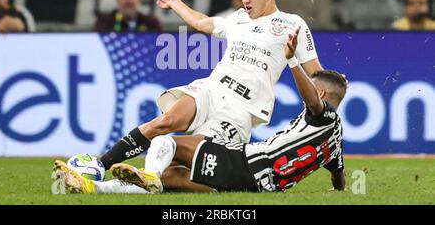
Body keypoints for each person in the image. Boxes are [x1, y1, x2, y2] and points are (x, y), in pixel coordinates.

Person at [58, 0, 323, 177]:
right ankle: (101, 165)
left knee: (185, 167)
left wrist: (330, 87)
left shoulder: (292, 24)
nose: (245, 1)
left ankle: (140, 179)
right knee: (166, 121)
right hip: (213, 88)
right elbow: (203, 23)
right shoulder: (237, 18)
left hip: (242, 109)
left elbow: (317, 74)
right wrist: (176, 4)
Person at [54, 28, 346, 194]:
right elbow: (338, 176)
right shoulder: (336, 141)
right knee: (176, 178)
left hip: (246, 162)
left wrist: (293, 62)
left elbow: (313, 103)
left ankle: (148, 174)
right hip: (258, 188)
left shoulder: (323, 113)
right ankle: (92, 189)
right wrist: (338, 192)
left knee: (166, 140)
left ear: (320, 92)